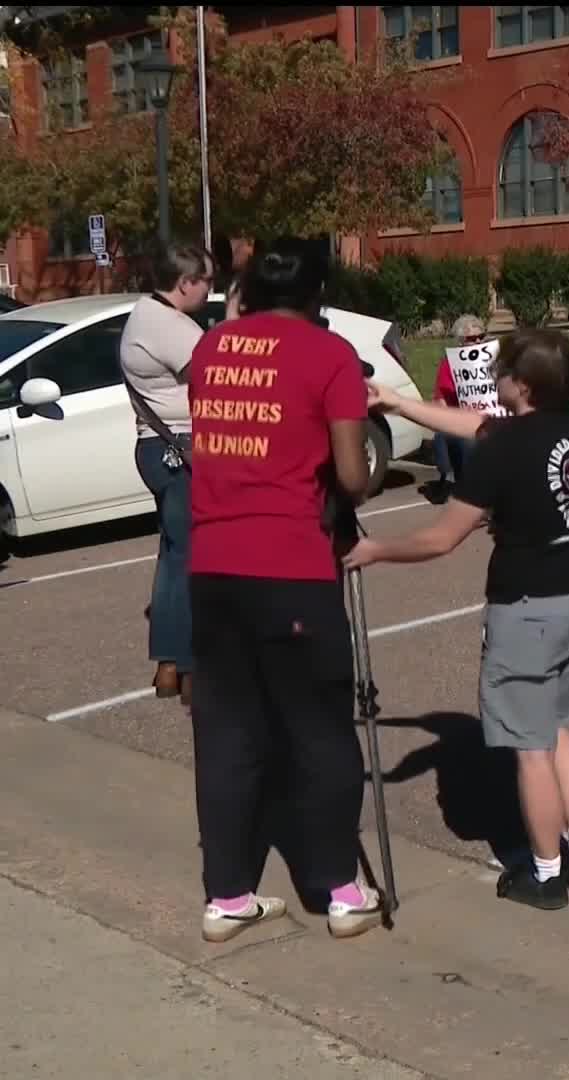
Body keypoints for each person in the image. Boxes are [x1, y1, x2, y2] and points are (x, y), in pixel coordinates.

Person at [349, 329, 569, 910]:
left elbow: (442, 538)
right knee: (561, 725)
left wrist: (376, 550)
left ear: (521, 385)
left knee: (531, 746)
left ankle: (545, 877)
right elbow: (477, 425)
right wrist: (396, 403)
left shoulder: (504, 450)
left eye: (502, 371)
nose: (494, 380)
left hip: (530, 613)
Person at [185, 236, 382, 943]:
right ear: (318, 293)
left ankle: (228, 893)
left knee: (229, 733)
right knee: (319, 729)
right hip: (290, 562)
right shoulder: (328, 355)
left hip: (212, 563)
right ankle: (338, 887)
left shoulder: (212, 350)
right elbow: (353, 475)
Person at [121, 243, 214, 707]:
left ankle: (168, 665)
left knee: (173, 552)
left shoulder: (143, 315)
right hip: (180, 448)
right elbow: (215, 377)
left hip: (158, 447)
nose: (210, 289)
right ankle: (190, 665)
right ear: (185, 283)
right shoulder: (169, 326)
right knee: (188, 558)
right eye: (207, 281)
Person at [426, 314, 493, 502]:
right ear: (461, 341)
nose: (478, 341)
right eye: (472, 339)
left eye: (481, 337)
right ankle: (460, 484)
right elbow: (441, 404)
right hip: (463, 422)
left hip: (493, 419)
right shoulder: (449, 365)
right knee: (457, 437)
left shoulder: (494, 361)